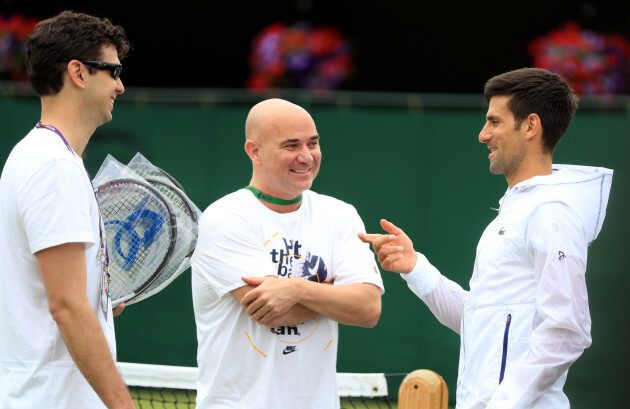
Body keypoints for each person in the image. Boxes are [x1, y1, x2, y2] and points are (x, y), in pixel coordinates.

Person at [359, 68, 613, 409]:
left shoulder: (551, 212)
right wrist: (415, 266)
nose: (483, 134)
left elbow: (567, 330)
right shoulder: (519, 212)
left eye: (494, 122)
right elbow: (481, 321)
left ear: (530, 127)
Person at [191, 98, 384, 409]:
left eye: (313, 143)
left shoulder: (340, 214)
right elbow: (275, 313)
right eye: (291, 145)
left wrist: (294, 288)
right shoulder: (225, 218)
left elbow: (368, 309)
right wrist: (338, 294)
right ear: (254, 151)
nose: (306, 156)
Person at [0, 11, 135, 409]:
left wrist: (100, 296)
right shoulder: (52, 165)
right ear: (79, 72)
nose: (121, 86)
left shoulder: (42, 156)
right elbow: (67, 306)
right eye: (112, 72)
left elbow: (62, 295)